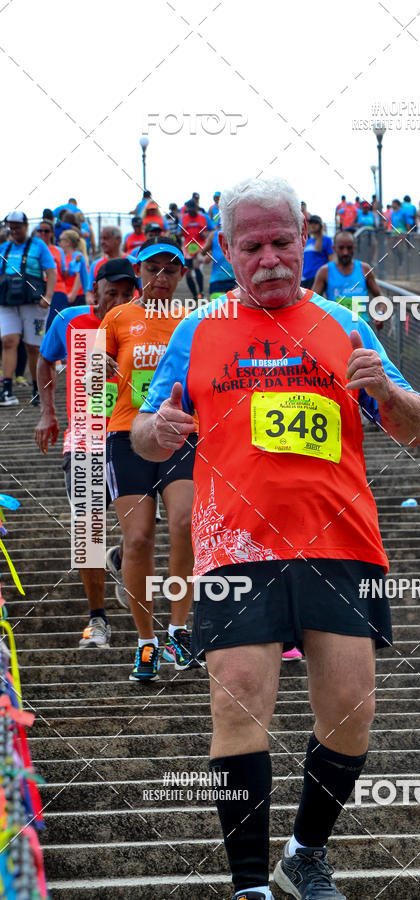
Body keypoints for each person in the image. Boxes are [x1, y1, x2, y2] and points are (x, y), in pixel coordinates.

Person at [131, 176, 420, 900]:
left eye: (282, 242)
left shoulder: (343, 324)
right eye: (252, 245)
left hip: (342, 543)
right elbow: (142, 432)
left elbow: (415, 425)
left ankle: (304, 853)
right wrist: (156, 431)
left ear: (305, 240)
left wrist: (386, 393)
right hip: (237, 545)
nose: (269, 258)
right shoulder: (197, 329)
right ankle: (248, 887)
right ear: (227, 251)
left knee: (352, 710)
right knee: (236, 698)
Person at [99, 236, 198, 681]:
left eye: (170, 270)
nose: (160, 278)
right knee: (137, 539)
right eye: (152, 269)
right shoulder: (118, 316)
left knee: (184, 524)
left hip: (179, 434)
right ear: (138, 272)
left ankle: (179, 628)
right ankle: (145, 641)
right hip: (126, 434)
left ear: (181, 276)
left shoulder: (195, 320)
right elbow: (94, 376)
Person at [34, 259, 136, 646]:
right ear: (95, 291)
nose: (119, 301)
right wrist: (48, 412)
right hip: (86, 439)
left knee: (141, 531)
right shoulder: (70, 321)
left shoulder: (142, 323)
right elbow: (45, 359)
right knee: (88, 530)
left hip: (130, 436)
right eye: (113, 293)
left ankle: (125, 560)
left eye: (128, 294)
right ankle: (98, 620)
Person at [0, 212, 57, 406]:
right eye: (11, 227)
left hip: (33, 301)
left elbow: (51, 271)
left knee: (33, 347)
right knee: (8, 340)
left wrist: (48, 296)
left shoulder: (38, 246)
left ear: (25, 225)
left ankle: (37, 388)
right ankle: (7, 390)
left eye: (18, 227)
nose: (14, 231)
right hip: (8, 301)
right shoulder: (4, 248)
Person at [312, 231, 383, 325]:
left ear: (354, 248)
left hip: (361, 329)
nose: (345, 252)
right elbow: (312, 303)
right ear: (334, 248)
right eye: (341, 248)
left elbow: (381, 298)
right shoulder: (324, 271)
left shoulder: (365, 269)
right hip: (336, 330)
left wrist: (380, 314)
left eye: (349, 248)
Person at [35, 219, 68, 333]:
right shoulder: (33, 249)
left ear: (52, 233)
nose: (43, 233)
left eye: (46, 231)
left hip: (57, 290)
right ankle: (39, 350)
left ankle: (56, 350)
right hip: (37, 290)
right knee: (38, 327)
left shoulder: (58, 250)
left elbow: (64, 272)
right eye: (40, 231)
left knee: (55, 324)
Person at [180, 200, 214, 301]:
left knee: (196, 265)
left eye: (192, 210)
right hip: (188, 247)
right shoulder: (184, 218)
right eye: (189, 210)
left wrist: (206, 234)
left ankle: (201, 292)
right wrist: (179, 233)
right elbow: (179, 232)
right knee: (188, 272)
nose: (191, 212)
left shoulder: (204, 217)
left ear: (196, 208)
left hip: (200, 245)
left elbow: (212, 229)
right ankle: (195, 295)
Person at [198, 226, 236, 299]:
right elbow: (200, 254)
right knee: (219, 309)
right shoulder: (214, 235)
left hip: (236, 282)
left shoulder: (238, 233)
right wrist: (204, 259)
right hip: (217, 282)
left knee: (235, 309)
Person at [85, 226, 123, 298]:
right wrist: (90, 298)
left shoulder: (132, 262)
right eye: (101, 239)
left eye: (106, 238)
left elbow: (140, 289)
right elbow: (89, 291)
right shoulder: (95, 264)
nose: (102, 242)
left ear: (118, 240)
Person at [301, 215, 333, 290]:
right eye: (311, 223)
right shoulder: (307, 241)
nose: (313, 225)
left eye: (316, 223)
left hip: (317, 278)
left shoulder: (326, 240)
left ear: (320, 225)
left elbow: (331, 260)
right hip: (304, 278)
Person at [58, 229, 88, 305]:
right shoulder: (63, 257)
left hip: (77, 296)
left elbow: (79, 275)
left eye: (61, 240)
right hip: (66, 294)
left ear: (68, 242)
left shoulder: (76, 255)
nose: (59, 243)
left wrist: (73, 294)